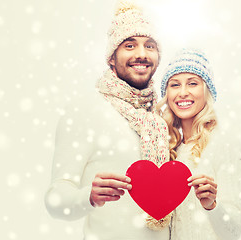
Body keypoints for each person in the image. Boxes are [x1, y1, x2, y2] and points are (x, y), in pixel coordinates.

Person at [45, 1, 171, 239]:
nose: (141, 54)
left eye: (150, 46)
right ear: (112, 58)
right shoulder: (85, 112)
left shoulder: (162, 117)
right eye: (130, 45)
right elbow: (55, 199)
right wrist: (88, 197)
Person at [157, 48, 241, 240]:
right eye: (175, 85)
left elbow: (234, 231)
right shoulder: (171, 150)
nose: (183, 93)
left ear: (206, 90)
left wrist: (212, 206)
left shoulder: (224, 144)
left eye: (192, 83)